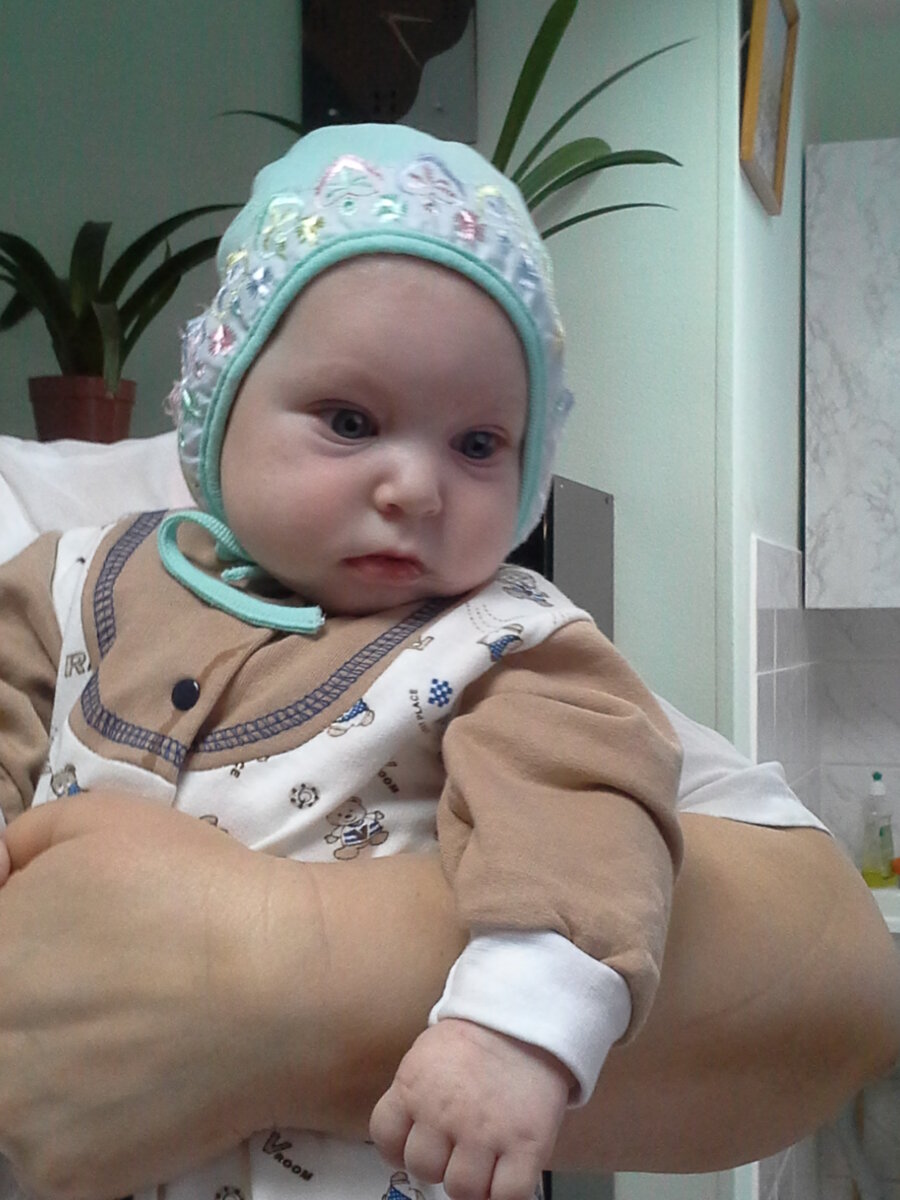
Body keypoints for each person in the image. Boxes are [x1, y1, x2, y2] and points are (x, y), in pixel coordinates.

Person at [0, 130, 897, 1200]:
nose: (417, 488)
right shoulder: (77, 579)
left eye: (477, 446)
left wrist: (514, 1029)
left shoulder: (507, 649)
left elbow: (584, 823)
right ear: (218, 413)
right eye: (350, 422)